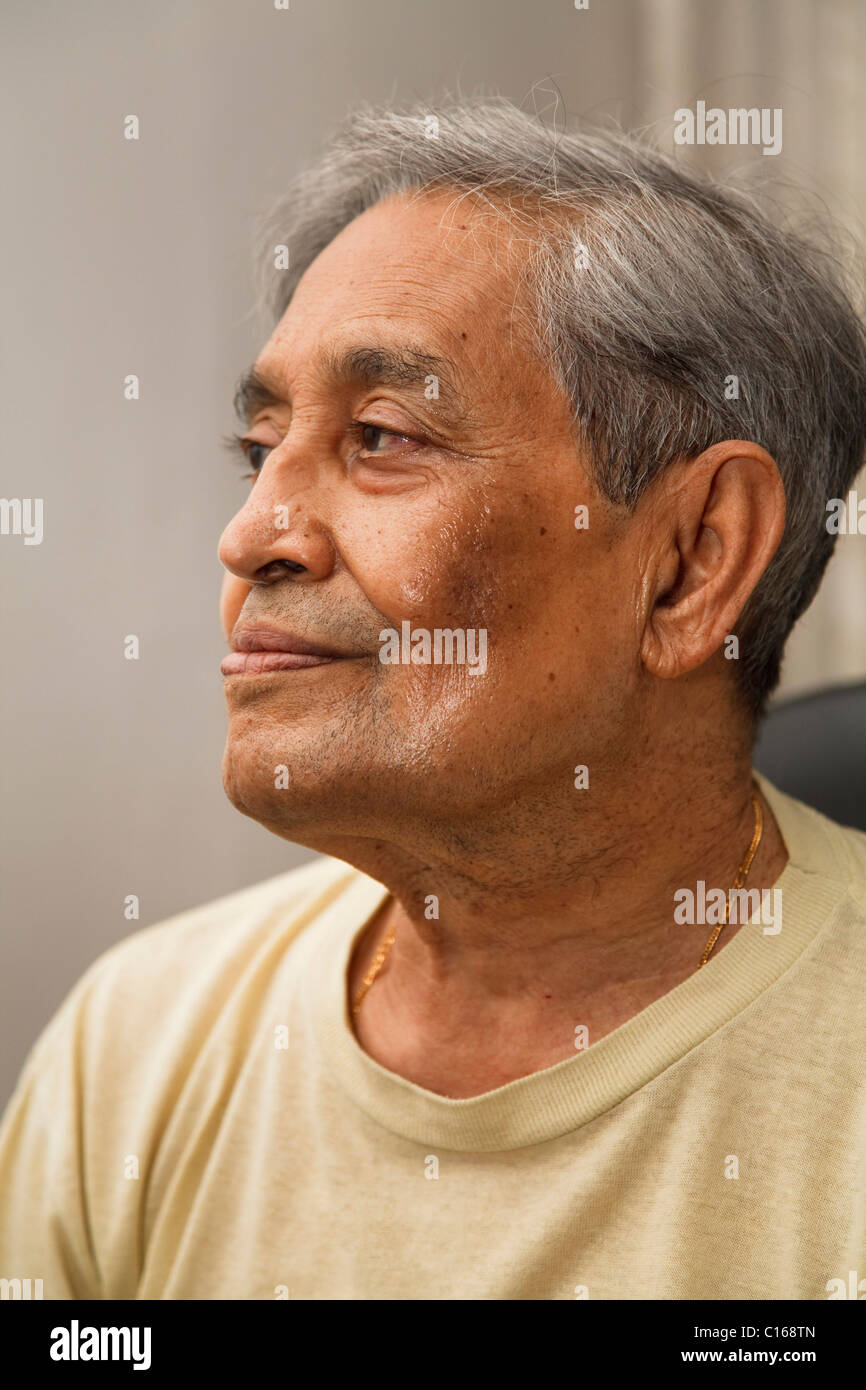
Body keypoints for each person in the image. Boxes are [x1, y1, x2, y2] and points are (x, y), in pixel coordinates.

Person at [2, 97, 865, 1301]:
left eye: (382, 436)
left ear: (690, 560)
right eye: (261, 451)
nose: (253, 536)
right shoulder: (137, 1043)